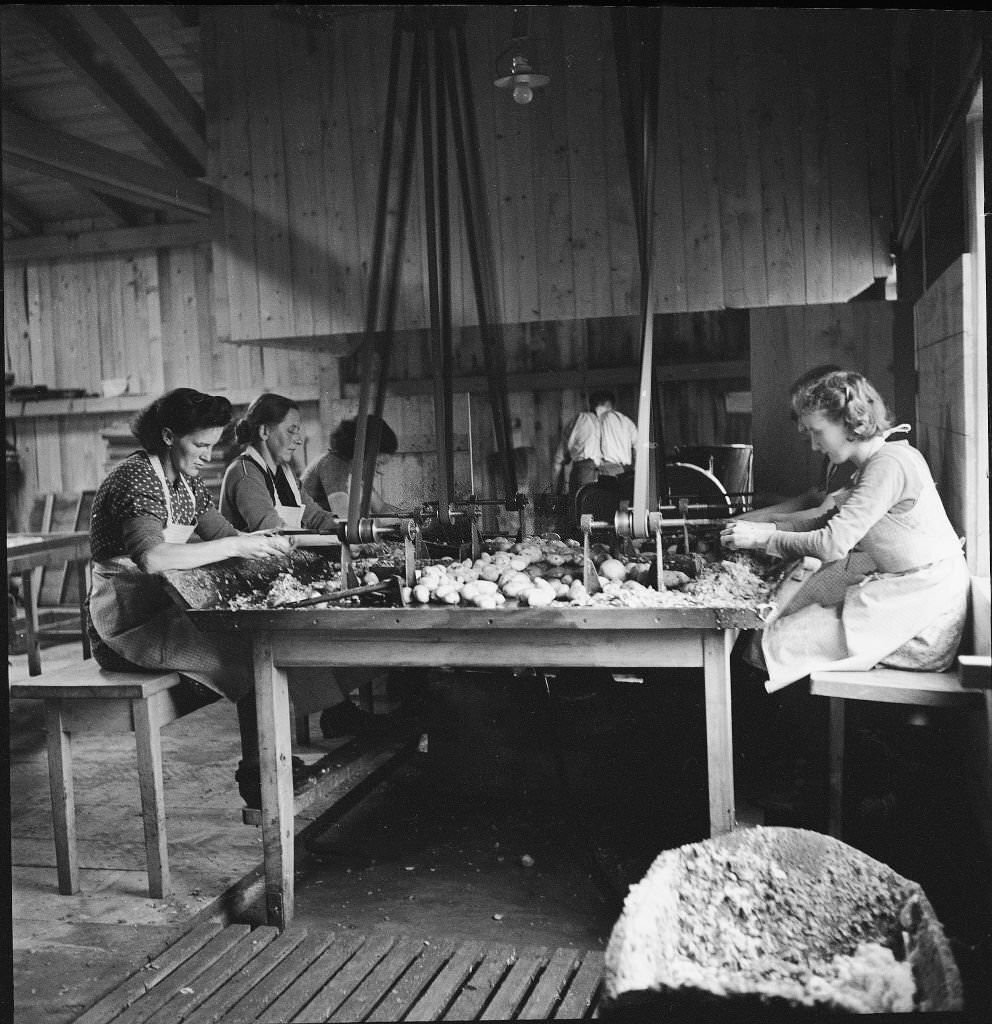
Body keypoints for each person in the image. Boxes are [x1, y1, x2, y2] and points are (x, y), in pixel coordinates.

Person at [86, 387, 312, 809]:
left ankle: (268, 763)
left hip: (162, 606)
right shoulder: (135, 478)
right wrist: (237, 548)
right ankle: (259, 779)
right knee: (245, 659)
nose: (208, 454)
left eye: (212, 444)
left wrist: (266, 542)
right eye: (200, 444)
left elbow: (227, 537)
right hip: (125, 622)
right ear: (169, 436)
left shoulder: (187, 483)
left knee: (258, 647)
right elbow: (153, 558)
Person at [720, 370, 968, 691]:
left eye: (817, 432)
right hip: (907, 597)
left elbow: (832, 543)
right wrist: (760, 529)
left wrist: (763, 536)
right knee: (777, 633)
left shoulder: (889, 465)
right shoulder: (877, 462)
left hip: (925, 618)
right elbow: (823, 524)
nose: (813, 445)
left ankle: (775, 732)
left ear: (850, 421)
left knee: (777, 644)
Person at [219, 394, 392, 741]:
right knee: (307, 628)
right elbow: (272, 532)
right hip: (248, 587)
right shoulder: (246, 474)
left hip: (280, 575)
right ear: (265, 431)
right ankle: (335, 715)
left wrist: (346, 531)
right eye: (292, 429)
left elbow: (312, 515)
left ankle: (338, 711)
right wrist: (337, 543)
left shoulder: (283, 472)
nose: (299, 438)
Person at [301, 414, 400, 516]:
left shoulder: (355, 473)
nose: (379, 471)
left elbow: (381, 508)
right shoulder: (333, 465)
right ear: (362, 453)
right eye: (378, 464)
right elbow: (345, 518)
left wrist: (407, 519)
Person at [552, 390, 637, 498]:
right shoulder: (625, 422)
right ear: (612, 405)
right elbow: (639, 455)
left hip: (583, 477)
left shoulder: (577, 421)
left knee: (581, 510)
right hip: (614, 476)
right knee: (613, 512)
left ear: (591, 404)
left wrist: (556, 494)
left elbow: (558, 462)